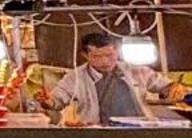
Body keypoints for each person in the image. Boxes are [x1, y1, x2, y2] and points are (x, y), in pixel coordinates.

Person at [46, 30, 178, 125]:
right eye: (97, 57)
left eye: (110, 55)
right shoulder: (75, 77)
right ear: (85, 55)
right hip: (97, 134)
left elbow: (166, 87)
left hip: (139, 130)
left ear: (117, 51)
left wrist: (173, 89)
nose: (105, 61)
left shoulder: (137, 70)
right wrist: (47, 101)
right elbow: (56, 101)